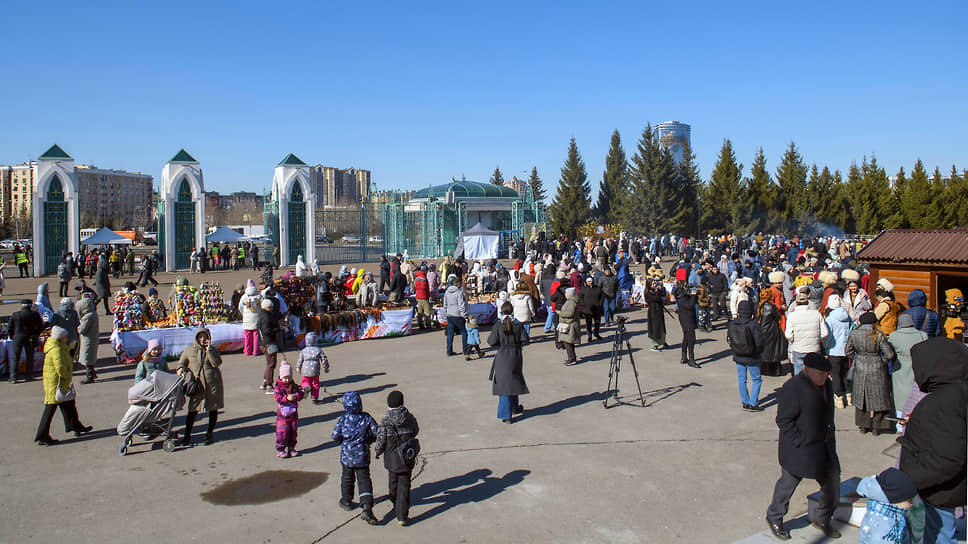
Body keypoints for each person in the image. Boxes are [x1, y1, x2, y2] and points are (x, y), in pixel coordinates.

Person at [898, 337, 967, 544]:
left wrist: (908, 480)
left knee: (938, 535)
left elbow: (949, 458)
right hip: (947, 488)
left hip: (938, 491)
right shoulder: (957, 392)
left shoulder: (941, 403)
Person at [766, 352, 842, 541]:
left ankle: (823, 518)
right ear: (807, 371)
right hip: (799, 449)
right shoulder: (793, 387)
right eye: (820, 374)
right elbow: (783, 420)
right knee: (787, 484)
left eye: (826, 374)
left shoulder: (827, 385)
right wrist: (799, 440)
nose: (824, 378)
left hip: (823, 447)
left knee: (832, 483)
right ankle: (775, 516)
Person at [34, 326, 92, 446]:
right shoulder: (57, 350)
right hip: (57, 383)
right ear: (60, 338)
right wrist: (66, 376)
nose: (66, 338)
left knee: (69, 406)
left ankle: (76, 426)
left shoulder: (58, 347)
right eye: (65, 337)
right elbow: (60, 367)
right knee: (51, 409)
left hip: (56, 383)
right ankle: (42, 435)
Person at [332, 391, 379, 525]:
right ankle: (366, 506)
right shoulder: (366, 418)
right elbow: (377, 432)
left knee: (347, 478)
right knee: (364, 480)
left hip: (347, 456)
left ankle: (346, 500)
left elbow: (335, 436)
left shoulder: (343, 419)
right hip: (362, 455)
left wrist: (344, 442)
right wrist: (368, 440)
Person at [846, 312, 896, 435]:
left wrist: (857, 358)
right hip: (877, 367)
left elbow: (848, 351)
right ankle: (878, 427)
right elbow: (890, 354)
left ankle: (863, 425)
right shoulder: (878, 335)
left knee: (861, 397)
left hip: (861, 367)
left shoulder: (854, 334)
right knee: (879, 398)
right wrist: (881, 360)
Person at [374, 390, 419, 526]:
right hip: (406, 457)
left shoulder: (386, 420)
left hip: (392, 458)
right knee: (405, 486)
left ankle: (395, 501)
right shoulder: (409, 417)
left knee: (393, 483)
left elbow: (381, 439)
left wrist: (377, 451)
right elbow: (416, 430)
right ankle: (402, 516)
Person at [176, 327, 224, 447]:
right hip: (198, 385)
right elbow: (182, 363)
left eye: (205, 337)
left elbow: (216, 363)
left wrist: (209, 351)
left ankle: (209, 434)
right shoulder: (189, 350)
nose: (203, 339)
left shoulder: (212, 350)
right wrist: (181, 369)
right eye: (200, 337)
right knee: (192, 411)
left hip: (212, 384)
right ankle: (187, 436)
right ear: (196, 337)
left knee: (213, 409)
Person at [488, 302, 530, 423]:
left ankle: (505, 414)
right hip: (516, 355)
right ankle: (514, 407)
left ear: (501, 311)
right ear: (512, 311)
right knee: (514, 380)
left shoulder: (498, 325)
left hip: (503, 355)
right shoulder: (518, 324)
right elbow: (525, 340)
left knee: (504, 385)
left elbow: (491, 341)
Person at [854, 468, 918, 544]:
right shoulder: (885, 529)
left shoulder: (884, 511)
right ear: (895, 500)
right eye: (909, 501)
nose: (912, 504)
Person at [887, 313, 927, 431]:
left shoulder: (894, 336)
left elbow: (889, 352)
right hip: (917, 367)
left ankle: (900, 424)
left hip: (900, 368)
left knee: (900, 396)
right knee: (915, 394)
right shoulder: (922, 334)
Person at [729, 300, 765, 412]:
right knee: (756, 379)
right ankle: (753, 403)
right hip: (752, 356)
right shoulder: (754, 325)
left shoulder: (732, 324)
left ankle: (745, 401)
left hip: (738, 354)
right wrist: (759, 352)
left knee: (741, 379)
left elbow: (729, 340)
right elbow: (759, 342)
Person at [785, 290, 829, 375]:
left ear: (796, 303)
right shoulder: (817, 314)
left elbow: (788, 335)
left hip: (799, 348)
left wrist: (794, 340)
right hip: (814, 348)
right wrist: (816, 338)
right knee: (813, 374)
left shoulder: (792, 316)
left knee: (799, 375)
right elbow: (825, 332)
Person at [824, 294, 853, 408]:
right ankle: (849, 394)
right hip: (846, 349)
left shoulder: (830, 319)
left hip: (834, 350)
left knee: (835, 374)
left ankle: (839, 397)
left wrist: (826, 347)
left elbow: (828, 336)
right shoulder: (847, 317)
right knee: (845, 372)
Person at [273, 361, 304, 458]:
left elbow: (301, 393)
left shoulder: (293, 385)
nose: (287, 380)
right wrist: (286, 398)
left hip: (293, 414)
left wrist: (296, 396)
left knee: (293, 431)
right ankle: (280, 449)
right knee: (282, 432)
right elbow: (277, 398)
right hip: (283, 415)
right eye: (285, 378)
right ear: (281, 376)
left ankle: (291, 447)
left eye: (289, 378)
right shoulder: (278, 387)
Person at [8, 300, 43, 383]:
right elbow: (40, 326)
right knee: (30, 357)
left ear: (21, 305)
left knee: (15, 357)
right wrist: (36, 334)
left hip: (18, 337)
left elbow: (10, 327)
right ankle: (28, 376)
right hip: (30, 337)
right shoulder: (35, 314)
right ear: (30, 306)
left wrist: (13, 336)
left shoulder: (15, 314)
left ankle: (13, 377)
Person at [758, 289, 788, 377]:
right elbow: (778, 317)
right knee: (774, 351)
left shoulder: (759, 306)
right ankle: (775, 371)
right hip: (772, 331)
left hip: (761, 330)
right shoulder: (771, 307)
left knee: (764, 351)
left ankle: (764, 369)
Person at [672, 281, 700, 368]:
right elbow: (690, 305)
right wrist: (693, 295)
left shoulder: (682, 295)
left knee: (686, 338)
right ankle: (691, 359)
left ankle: (684, 357)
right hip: (687, 320)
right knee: (691, 339)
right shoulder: (681, 296)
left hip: (687, 319)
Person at [295, 332, 328, 405]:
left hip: (305, 370)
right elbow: (324, 359)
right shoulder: (318, 350)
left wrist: (298, 367)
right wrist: (326, 367)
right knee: (316, 384)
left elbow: (300, 359)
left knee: (305, 381)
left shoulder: (303, 350)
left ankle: (306, 387)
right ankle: (314, 398)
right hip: (315, 370)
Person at [257, 298, 282, 391]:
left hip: (263, 343)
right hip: (269, 343)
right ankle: (269, 385)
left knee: (269, 363)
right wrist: (278, 329)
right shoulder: (267, 317)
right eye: (271, 307)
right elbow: (267, 331)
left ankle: (265, 381)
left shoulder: (261, 315)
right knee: (271, 363)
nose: (272, 309)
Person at [442, 276, 468, 357]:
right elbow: (461, 305)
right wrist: (465, 316)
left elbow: (445, 304)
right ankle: (465, 350)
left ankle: (449, 350)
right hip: (458, 315)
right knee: (464, 332)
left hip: (450, 315)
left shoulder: (447, 292)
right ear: (458, 283)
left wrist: (446, 313)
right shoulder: (459, 292)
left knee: (450, 334)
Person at [76, 297, 99, 384]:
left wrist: (78, 326)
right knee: (90, 357)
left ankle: (89, 376)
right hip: (92, 338)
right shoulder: (93, 314)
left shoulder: (88, 317)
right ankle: (92, 373)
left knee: (87, 358)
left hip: (87, 339)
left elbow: (82, 329)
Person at [558, 287, 581, 365]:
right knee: (569, 342)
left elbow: (570, 313)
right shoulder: (571, 301)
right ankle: (572, 357)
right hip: (570, 324)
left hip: (569, 325)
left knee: (567, 342)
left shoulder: (571, 302)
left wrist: (560, 313)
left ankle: (571, 358)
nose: (565, 294)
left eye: (566, 293)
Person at [644, 277, 669, 351]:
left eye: (655, 283)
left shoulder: (656, 290)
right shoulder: (648, 292)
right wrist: (657, 291)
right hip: (653, 311)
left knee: (661, 326)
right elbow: (656, 298)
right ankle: (654, 344)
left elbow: (663, 294)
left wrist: (662, 287)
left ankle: (662, 341)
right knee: (655, 328)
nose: (654, 285)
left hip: (659, 310)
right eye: (653, 284)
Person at [578, 276, 603, 342]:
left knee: (597, 322)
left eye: (591, 281)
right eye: (588, 281)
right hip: (587, 309)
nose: (590, 283)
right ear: (586, 282)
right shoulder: (583, 289)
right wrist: (583, 305)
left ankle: (596, 333)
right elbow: (580, 298)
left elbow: (602, 296)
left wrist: (600, 303)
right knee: (588, 323)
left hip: (597, 308)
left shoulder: (597, 288)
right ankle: (589, 335)